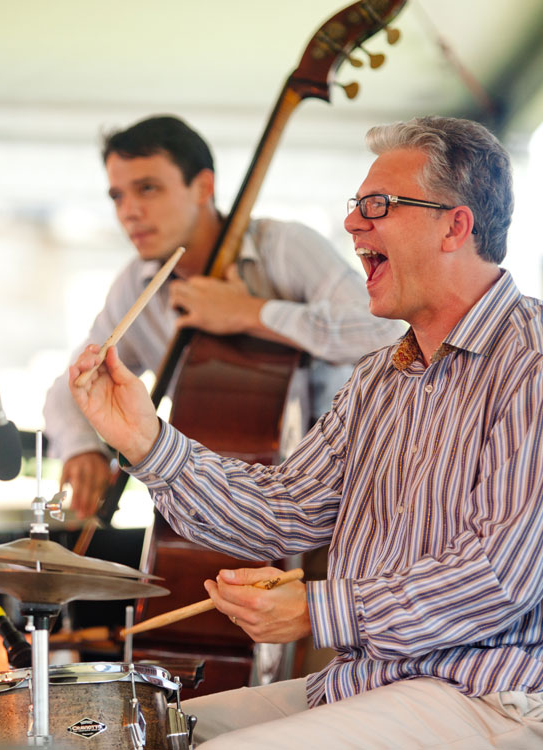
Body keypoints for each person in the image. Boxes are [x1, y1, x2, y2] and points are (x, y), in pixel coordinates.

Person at [68, 116, 543, 749]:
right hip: (374, 686)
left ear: (456, 224)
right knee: (127, 738)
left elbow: (499, 576)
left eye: (378, 206)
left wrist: (318, 608)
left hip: (505, 705)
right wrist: (149, 443)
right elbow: (282, 511)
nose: (351, 225)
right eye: (355, 206)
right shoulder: (379, 378)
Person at [43, 115, 403, 518]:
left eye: (147, 188)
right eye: (117, 196)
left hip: (335, 498)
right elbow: (72, 384)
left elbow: (387, 332)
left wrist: (251, 313)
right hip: (208, 507)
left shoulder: (283, 246)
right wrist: (81, 447)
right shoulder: (135, 284)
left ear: (203, 187)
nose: (129, 211)